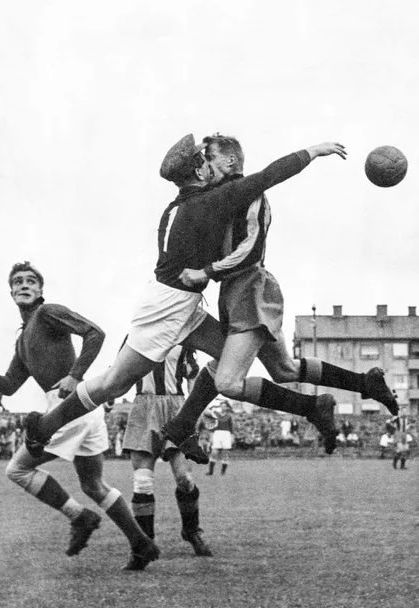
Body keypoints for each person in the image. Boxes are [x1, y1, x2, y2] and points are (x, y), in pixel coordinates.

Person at [24, 134, 353, 463]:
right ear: (199, 172)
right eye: (205, 161)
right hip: (165, 309)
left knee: (228, 364)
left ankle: (190, 424)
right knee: (113, 384)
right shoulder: (209, 202)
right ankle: (43, 427)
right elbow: (269, 175)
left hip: (182, 304)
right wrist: (313, 151)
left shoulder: (179, 205)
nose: (210, 165)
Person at [162, 134, 398, 456]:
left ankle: (311, 407)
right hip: (233, 292)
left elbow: (250, 252)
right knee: (283, 369)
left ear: (229, 161)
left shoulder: (250, 194)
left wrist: (207, 271)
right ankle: (364, 383)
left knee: (228, 381)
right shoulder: (218, 196)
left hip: (251, 288)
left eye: (209, 158)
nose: (204, 165)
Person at [0, 261, 158, 570]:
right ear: (11, 292)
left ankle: (80, 517)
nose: (24, 285)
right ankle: (142, 544)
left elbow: (95, 333)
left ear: (40, 290)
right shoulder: (23, 339)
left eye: (31, 281)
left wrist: (75, 374)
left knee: (17, 469)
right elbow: (9, 386)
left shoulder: (47, 313)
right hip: (82, 410)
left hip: (68, 406)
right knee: (93, 485)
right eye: (18, 281)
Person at [122, 344, 212, 564]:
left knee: (185, 480)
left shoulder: (183, 340)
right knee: (142, 482)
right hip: (144, 407)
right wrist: (106, 396)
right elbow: (121, 371)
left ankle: (191, 531)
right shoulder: (135, 338)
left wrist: (199, 409)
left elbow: (193, 378)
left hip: (177, 409)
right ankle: (145, 545)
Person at [206, 401, 233, 476]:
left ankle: (223, 472)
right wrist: (211, 437)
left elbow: (231, 428)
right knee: (214, 452)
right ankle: (211, 472)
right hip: (217, 434)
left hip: (226, 434)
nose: (223, 407)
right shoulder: (216, 415)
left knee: (225, 453)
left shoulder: (229, 416)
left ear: (227, 407)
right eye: (222, 406)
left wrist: (232, 438)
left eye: (224, 406)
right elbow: (213, 426)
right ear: (220, 407)